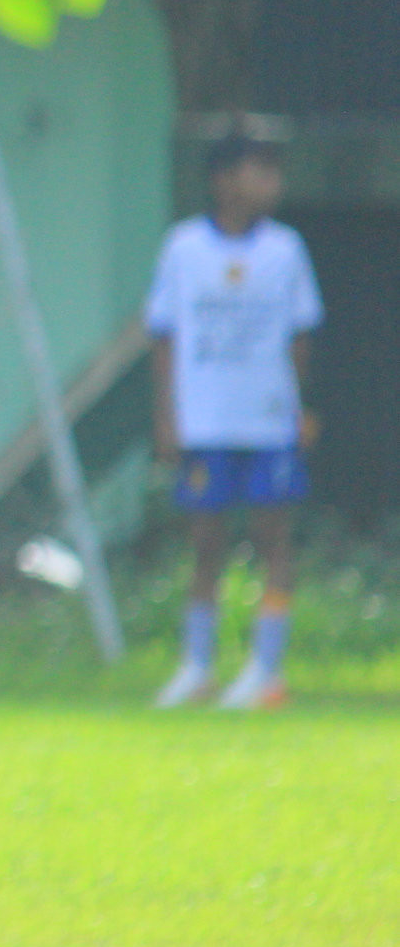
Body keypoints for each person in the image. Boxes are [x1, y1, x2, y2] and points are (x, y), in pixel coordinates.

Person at [149, 130, 322, 711]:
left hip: (268, 422)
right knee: (206, 545)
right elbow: (165, 337)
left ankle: (266, 671)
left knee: (273, 540)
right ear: (223, 179)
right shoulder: (183, 248)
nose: (270, 183)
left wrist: (301, 408)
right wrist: (167, 418)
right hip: (206, 422)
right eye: (258, 170)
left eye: (275, 172)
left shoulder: (286, 250)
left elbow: (301, 336)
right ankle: (197, 666)